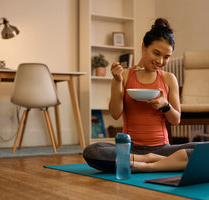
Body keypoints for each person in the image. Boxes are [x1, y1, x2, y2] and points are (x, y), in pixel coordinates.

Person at [83, 18, 196, 173]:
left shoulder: (169, 79)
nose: (160, 61)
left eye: (166, 57)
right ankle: (158, 163)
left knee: (202, 149)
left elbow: (176, 120)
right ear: (144, 47)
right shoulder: (124, 75)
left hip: (162, 148)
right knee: (93, 151)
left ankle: (146, 165)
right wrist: (117, 81)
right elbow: (115, 114)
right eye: (156, 53)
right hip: (129, 148)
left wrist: (165, 105)